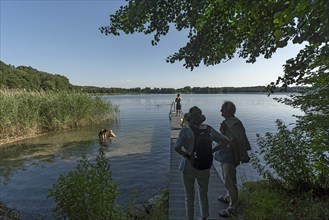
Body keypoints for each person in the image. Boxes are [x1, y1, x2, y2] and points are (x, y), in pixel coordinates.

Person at [174, 106, 229, 220]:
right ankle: (204, 217)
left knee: (189, 197)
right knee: (203, 194)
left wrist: (186, 154)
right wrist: (212, 150)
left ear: (189, 119)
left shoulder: (185, 131)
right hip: (204, 167)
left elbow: (176, 147)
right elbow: (225, 141)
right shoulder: (209, 129)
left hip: (188, 168)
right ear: (201, 119)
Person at [213, 101, 251, 217]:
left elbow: (239, 140)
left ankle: (233, 207)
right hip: (225, 154)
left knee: (230, 181)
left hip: (230, 155)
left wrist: (243, 154)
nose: (220, 111)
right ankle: (229, 197)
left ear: (228, 111)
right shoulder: (229, 122)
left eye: (222, 109)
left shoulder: (234, 123)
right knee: (227, 178)